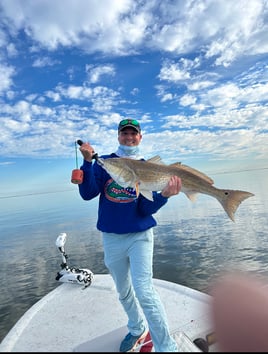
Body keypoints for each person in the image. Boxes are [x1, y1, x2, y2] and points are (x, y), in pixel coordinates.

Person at [77, 118, 182, 352]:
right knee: (123, 290)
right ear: (118, 137)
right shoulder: (105, 163)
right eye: (124, 133)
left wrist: (163, 195)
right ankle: (137, 329)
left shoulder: (149, 167)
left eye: (133, 134)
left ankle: (167, 348)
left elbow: (145, 209)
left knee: (144, 291)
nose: (129, 137)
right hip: (112, 237)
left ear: (140, 137)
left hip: (140, 236)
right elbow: (88, 193)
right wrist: (86, 163)